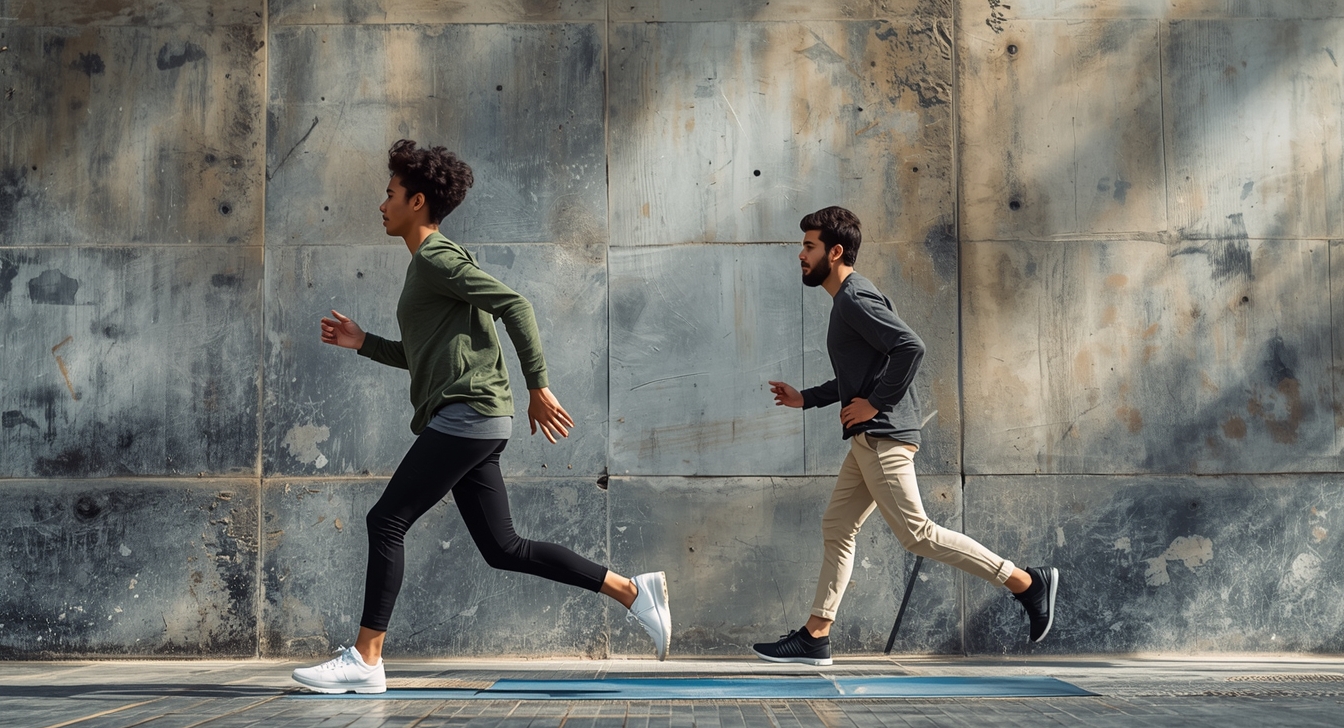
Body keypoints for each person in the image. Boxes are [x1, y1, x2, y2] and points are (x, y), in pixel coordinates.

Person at [292, 140, 670, 694]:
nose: (381, 204)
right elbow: (424, 356)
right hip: (473, 417)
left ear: (416, 201)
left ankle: (367, 659)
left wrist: (539, 386)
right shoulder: (431, 265)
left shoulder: (437, 259)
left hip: (467, 415)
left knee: (386, 520)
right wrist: (362, 342)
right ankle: (631, 592)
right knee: (503, 548)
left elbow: (515, 304)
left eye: (390, 194)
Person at [752, 206, 1057, 666]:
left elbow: (910, 346)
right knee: (837, 526)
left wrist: (875, 404)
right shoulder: (849, 300)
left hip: (881, 436)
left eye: (809, 246)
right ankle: (816, 635)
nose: (801, 254)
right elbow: (861, 374)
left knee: (918, 535)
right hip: (868, 437)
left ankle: (1025, 583)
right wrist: (806, 398)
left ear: (835, 252)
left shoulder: (854, 298)